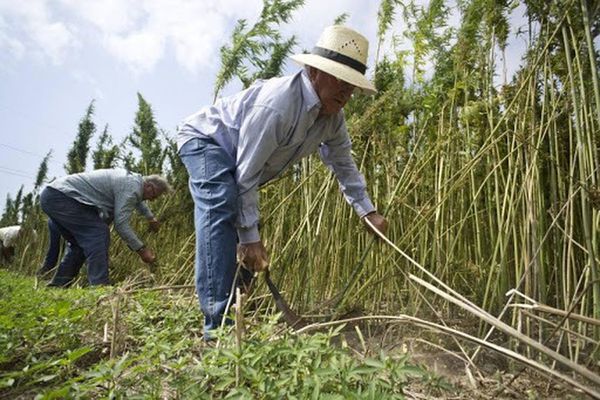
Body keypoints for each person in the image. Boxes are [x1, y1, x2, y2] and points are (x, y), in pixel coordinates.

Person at [177, 25, 389, 339]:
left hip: (239, 162)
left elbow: (343, 163)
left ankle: (238, 302)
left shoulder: (332, 118)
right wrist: (249, 236)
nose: (346, 92)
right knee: (222, 203)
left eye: (352, 85)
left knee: (245, 221)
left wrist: (367, 212)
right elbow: (246, 173)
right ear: (314, 71)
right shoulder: (278, 104)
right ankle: (217, 328)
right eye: (340, 80)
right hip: (206, 141)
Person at [39, 169, 171, 287]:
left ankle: (60, 283)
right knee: (98, 233)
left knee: (80, 243)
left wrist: (150, 217)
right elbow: (121, 225)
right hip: (62, 197)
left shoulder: (133, 181)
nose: (152, 200)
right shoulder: (132, 187)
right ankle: (99, 285)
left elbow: (138, 200)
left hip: (54, 195)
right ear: (148, 186)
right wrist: (141, 249)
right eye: (154, 196)